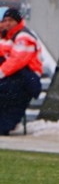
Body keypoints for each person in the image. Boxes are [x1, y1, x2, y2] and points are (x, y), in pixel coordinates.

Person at [0, 8, 43, 136]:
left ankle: (5, 124)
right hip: (16, 76)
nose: (7, 23)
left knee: (10, 93)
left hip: (28, 77)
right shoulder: (9, 37)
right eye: (5, 20)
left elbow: (17, 60)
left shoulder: (24, 36)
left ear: (18, 21)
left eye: (11, 20)